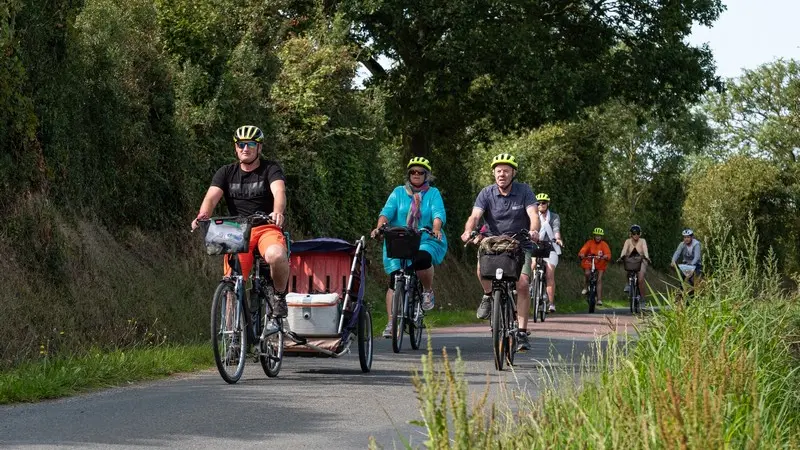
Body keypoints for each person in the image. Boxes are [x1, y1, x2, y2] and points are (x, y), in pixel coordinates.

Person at [191, 125, 290, 317]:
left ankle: (279, 296)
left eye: (251, 144)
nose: (245, 148)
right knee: (232, 281)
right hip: (236, 231)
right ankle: (232, 337)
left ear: (259, 147)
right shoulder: (226, 172)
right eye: (241, 144)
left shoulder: (270, 169)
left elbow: (279, 191)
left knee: (276, 256)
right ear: (236, 147)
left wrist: (277, 212)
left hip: (265, 227)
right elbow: (211, 198)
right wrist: (203, 215)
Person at [460, 153, 540, 352]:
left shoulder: (524, 191)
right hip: (493, 243)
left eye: (505, 171)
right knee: (481, 270)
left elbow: (533, 215)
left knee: (522, 283)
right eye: (498, 171)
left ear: (513, 173)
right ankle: (488, 296)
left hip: (519, 243)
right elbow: (475, 216)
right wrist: (468, 230)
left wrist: (534, 230)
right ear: (494, 174)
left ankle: (521, 332)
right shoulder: (486, 193)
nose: (501, 174)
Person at [371, 157, 447, 338]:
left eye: (420, 172)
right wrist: (380, 227)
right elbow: (386, 212)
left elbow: (438, 213)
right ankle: (391, 322)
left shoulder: (433, 193)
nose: (416, 175)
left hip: (425, 237)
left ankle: (427, 291)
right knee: (394, 279)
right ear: (408, 174)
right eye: (413, 172)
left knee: (423, 259)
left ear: (426, 175)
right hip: (400, 238)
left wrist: (436, 228)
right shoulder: (398, 192)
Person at [535, 193, 563, 313]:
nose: (541, 205)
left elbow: (556, 229)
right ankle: (533, 285)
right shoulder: (533, 216)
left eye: (543, 202)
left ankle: (551, 303)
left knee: (549, 273)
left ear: (548, 204)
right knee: (531, 265)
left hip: (551, 247)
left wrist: (558, 238)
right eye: (539, 203)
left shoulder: (554, 217)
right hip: (536, 245)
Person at [617, 224, 651, 302]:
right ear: (631, 234)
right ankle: (628, 284)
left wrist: (647, 257)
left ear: (640, 234)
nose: (636, 235)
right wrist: (621, 257)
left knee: (641, 279)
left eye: (638, 233)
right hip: (631, 260)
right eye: (634, 233)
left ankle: (642, 298)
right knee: (628, 269)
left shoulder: (643, 241)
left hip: (641, 260)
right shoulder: (627, 241)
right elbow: (624, 250)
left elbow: (645, 250)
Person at [578, 227, 611, 306]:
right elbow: (583, 250)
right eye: (596, 235)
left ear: (601, 237)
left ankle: (599, 299)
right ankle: (586, 287)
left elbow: (608, 254)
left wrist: (606, 256)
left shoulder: (604, 244)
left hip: (600, 263)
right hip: (589, 261)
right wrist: (582, 254)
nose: (598, 237)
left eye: (599, 236)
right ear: (594, 236)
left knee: (599, 280)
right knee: (587, 273)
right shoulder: (589, 243)